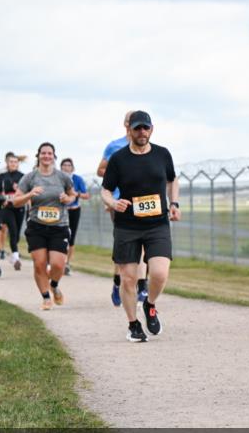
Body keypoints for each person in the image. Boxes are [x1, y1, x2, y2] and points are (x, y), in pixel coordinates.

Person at [100, 110, 180, 342]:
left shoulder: (162, 154)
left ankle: (150, 305)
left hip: (158, 224)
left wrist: (174, 202)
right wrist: (114, 203)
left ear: (151, 129)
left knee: (159, 273)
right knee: (128, 278)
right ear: (129, 130)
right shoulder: (119, 159)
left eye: (145, 128)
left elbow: (172, 179)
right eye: (137, 128)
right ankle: (133, 324)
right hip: (127, 226)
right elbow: (105, 190)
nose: (142, 132)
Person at [13, 143, 76, 310]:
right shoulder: (30, 178)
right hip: (37, 227)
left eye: (49, 153)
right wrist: (30, 194)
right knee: (39, 263)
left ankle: (54, 285)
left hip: (59, 226)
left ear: (54, 156)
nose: (46, 156)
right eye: (43, 153)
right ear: (38, 156)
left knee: (58, 264)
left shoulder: (62, 177)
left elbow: (73, 195)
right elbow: (15, 200)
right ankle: (46, 298)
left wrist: (67, 199)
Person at [98, 111, 150, 305]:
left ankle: (142, 286)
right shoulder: (114, 146)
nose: (138, 128)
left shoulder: (146, 146)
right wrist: (118, 171)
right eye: (132, 123)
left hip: (143, 200)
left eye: (143, 125)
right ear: (125, 124)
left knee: (144, 244)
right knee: (125, 247)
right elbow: (100, 170)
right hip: (120, 202)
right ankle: (118, 282)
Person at [60, 158, 90, 275]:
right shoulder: (58, 178)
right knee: (60, 236)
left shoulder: (78, 179)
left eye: (69, 165)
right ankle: (57, 261)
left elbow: (86, 195)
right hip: (61, 211)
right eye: (64, 165)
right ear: (61, 167)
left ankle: (67, 263)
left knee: (71, 237)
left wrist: (76, 194)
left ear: (72, 168)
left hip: (74, 210)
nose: (66, 167)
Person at [0, 152, 25, 270]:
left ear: (18, 163)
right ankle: (16, 258)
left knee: (17, 234)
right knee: (13, 230)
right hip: (7, 206)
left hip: (19, 206)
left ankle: (13, 254)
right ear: (7, 163)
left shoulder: (23, 176)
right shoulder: (2, 176)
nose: (13, 164)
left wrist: (19, 190)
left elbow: (27, 190)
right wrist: (2, 198)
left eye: (15, 162)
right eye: (11, 162)